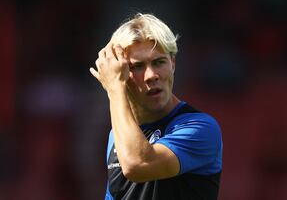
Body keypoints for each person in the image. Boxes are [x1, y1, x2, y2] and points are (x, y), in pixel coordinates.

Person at [90, 13, 223, 200]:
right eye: (137, 66)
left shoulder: (200, 128)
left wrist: (114, 89)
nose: (151, 75)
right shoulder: (118, 135)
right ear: (120, 72)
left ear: (173, 64)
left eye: (159, 62)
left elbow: (137, 164)